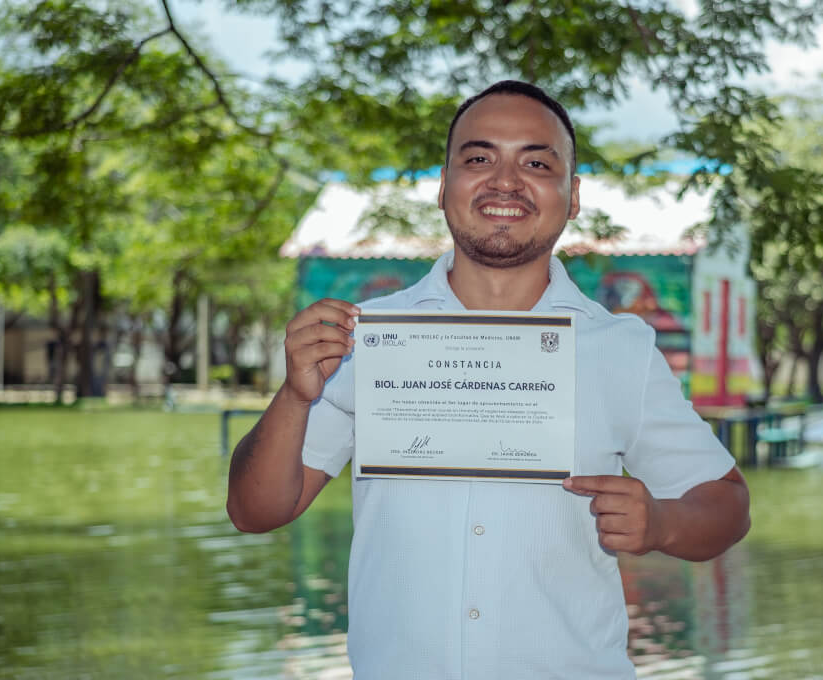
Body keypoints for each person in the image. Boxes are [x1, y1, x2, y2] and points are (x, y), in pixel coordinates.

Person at [227, 80, 750, 679]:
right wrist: (295, 396)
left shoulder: (620, 349)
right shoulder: (364, 341)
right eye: (478, 159)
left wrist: (664, 524)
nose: (505, 181)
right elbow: (255, 512)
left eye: (536, 161)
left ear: (572, 195)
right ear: (444, 187)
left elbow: (727, 506)